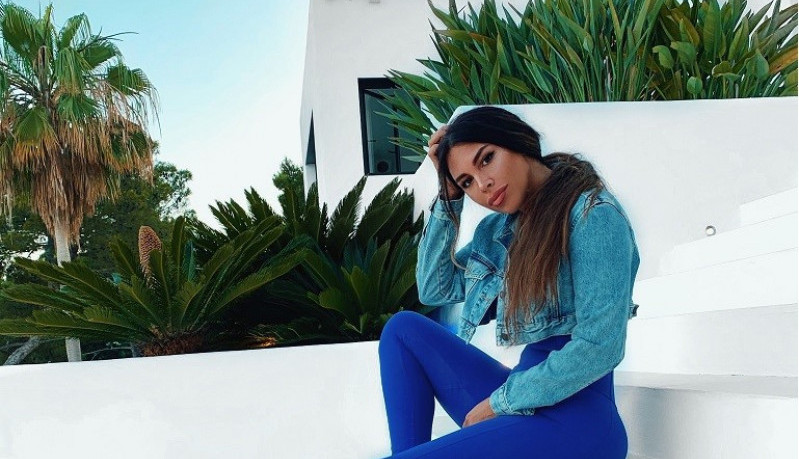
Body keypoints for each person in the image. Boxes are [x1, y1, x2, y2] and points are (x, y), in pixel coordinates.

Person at [377, 106, 640, 458]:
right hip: (524, 399)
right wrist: (448, 196)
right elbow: (435, 288)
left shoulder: (592, 215)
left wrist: (500, 402)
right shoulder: (498, 233)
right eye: (466, 182)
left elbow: (600, 346)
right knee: (403, 330)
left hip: (578, 422)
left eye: (487, 159)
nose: (482, 185)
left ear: (517, 142)